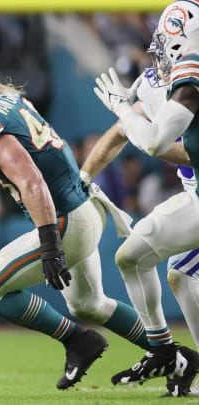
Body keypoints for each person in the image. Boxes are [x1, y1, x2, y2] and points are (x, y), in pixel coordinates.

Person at [0, 52, 154, 391]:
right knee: (89, 303)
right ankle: (169, 351)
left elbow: (32, 182)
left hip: (65, 220)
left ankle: (77, 341)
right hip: (86, 204)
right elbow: (36, 158)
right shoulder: (4, 100)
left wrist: (49, 243)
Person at [92, 0, 199, 393]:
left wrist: (124, 109)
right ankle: (162, 349)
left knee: (180, 273)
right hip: (196, 194)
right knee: (137, 259)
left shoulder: (192, 69)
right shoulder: (181, 74)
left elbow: (155, 143)